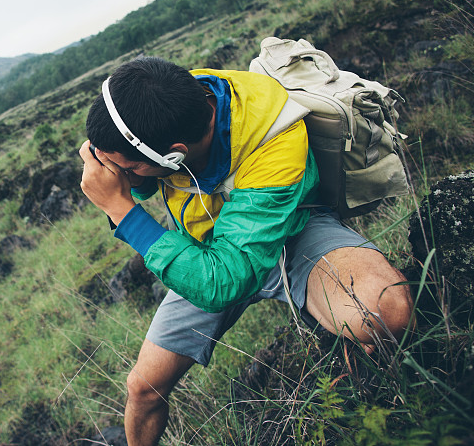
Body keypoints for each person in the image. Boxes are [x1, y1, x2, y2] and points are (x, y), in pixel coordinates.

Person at [78, 56, 413, 446]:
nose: (124, 175)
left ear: (175, 155)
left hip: (293, 232)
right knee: (143, 389)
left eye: (129, 167)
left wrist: (120, 209)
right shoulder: (171, 109)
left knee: (384, 313)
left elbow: (224, 281)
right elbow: (147, 185)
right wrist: (119, 168)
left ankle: (357, 356)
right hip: (205, 249)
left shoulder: (275, 138)